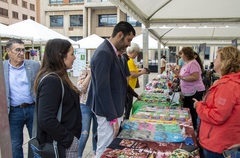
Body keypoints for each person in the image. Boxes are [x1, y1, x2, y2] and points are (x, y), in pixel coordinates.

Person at [87, 21, 135, 158]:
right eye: (128, 39)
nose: (129, 44)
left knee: (109, 148)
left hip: (113, 111)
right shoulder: (104, 52)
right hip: (108, 113)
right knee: (104, 149)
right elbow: (103, 89)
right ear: (120, 35)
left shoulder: (111, 52)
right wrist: (113, 118)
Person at [34, 39, 82, 158]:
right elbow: (46, 119)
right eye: (72, 54)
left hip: (63, 143)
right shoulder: (52, 81)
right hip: (60, 146)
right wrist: (69, 140)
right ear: (60, 56)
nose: (74, 57)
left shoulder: (59, 77)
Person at [193, 46, 240, 158]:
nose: (214, 60)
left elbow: (217, 116)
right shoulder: (229, 83)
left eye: (217, 57)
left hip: (218, 144)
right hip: (221, 141)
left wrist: (198, 106)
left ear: (225, 61)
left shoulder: (228, 86)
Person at [3, 38, 40, 158]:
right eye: (17, 50)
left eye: (23, 50)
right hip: (13, 112)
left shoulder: (33, 65)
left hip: (32, 109)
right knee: (15, 145)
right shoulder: (2, 68)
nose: (21, 53)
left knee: (37, 142)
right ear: (8, 51)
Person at [170, 47, 205, 130]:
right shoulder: (187, 63)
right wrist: (174, 72)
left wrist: (182, 77)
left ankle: (193, 129)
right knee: (187, 110)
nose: (181, 56)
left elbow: (195, 77)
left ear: (186, 54)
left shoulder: (193, 63)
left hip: (194, 92)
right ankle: (189, 127)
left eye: (181, 54)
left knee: (192, 112)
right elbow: (182, 74)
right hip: (188, 91)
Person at [77, 67, 97, 158]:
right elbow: (80, 89)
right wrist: (89, 75)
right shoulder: (85, 71)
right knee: (84, 134)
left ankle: (95, 153)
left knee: (96, 133)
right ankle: (78, 155)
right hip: (85, 106)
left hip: (98, 106)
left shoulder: (102, 69)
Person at [126, 42, 148, 119]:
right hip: (129, 88)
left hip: (130, 88)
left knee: (128, 108)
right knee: (127, 109)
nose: (137, 55)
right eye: (137, 53)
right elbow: (132, 74)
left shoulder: (129, 60)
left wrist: (139, 70)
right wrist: (142, 72)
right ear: (133, 52)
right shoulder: (130, 61)